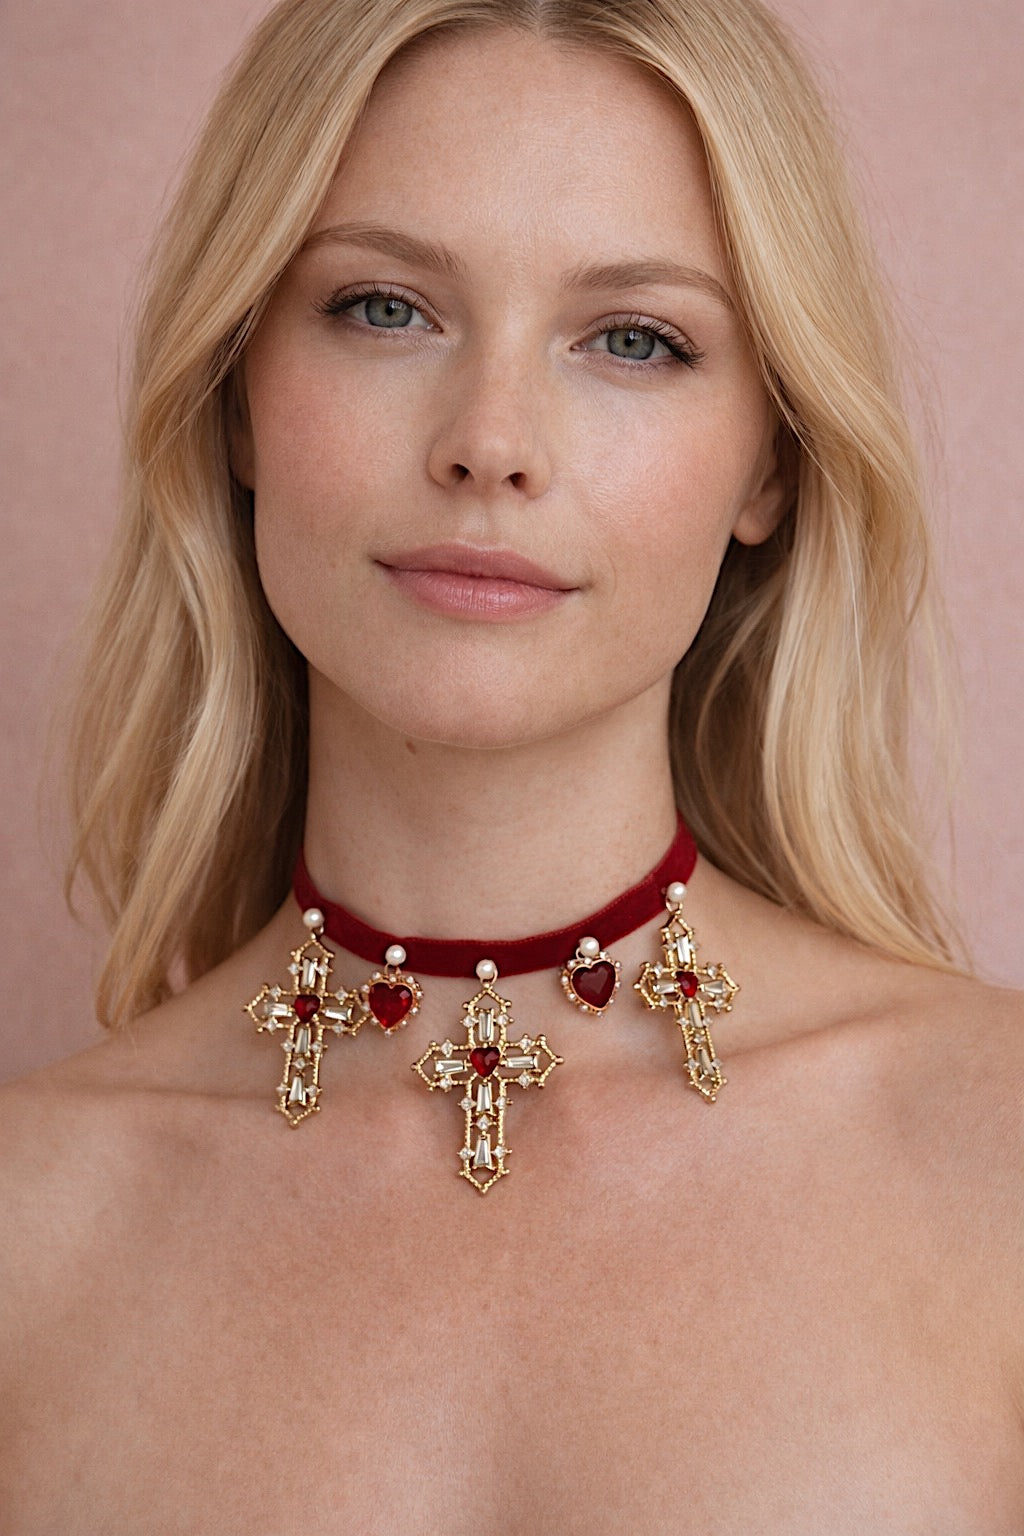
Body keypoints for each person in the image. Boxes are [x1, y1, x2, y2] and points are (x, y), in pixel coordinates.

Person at [1, 0, 1021, 1528]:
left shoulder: (999, 1160)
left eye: (634, 338)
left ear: (769, 461)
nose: (492, 442)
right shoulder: (27, 1235)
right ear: (236, 402)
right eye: (384, 308)